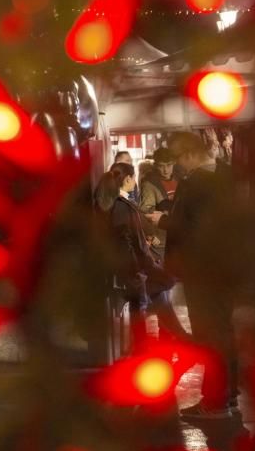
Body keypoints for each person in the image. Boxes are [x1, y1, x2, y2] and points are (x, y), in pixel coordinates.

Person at [159, 132, 240, 420]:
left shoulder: (195, 183)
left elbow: (186, 227)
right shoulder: (228, 175)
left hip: (202, 269)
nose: (179, 164)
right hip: (226, 268)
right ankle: (228, 395)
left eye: (179, 157)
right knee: (224, 331)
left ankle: (215, 401)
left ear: (189, 153)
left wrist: (162, 220)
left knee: (209, 334)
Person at [94, 164, 184, 345]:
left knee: (158, 296)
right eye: (133, 178)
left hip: (133, 269)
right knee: (143, 306)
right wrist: (142, 269)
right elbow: (129, 243)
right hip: (134, 271)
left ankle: (178, 338)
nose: (135, 182)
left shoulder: (112, 205)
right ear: (127, 179)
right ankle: (164, 343)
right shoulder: (121, 207)